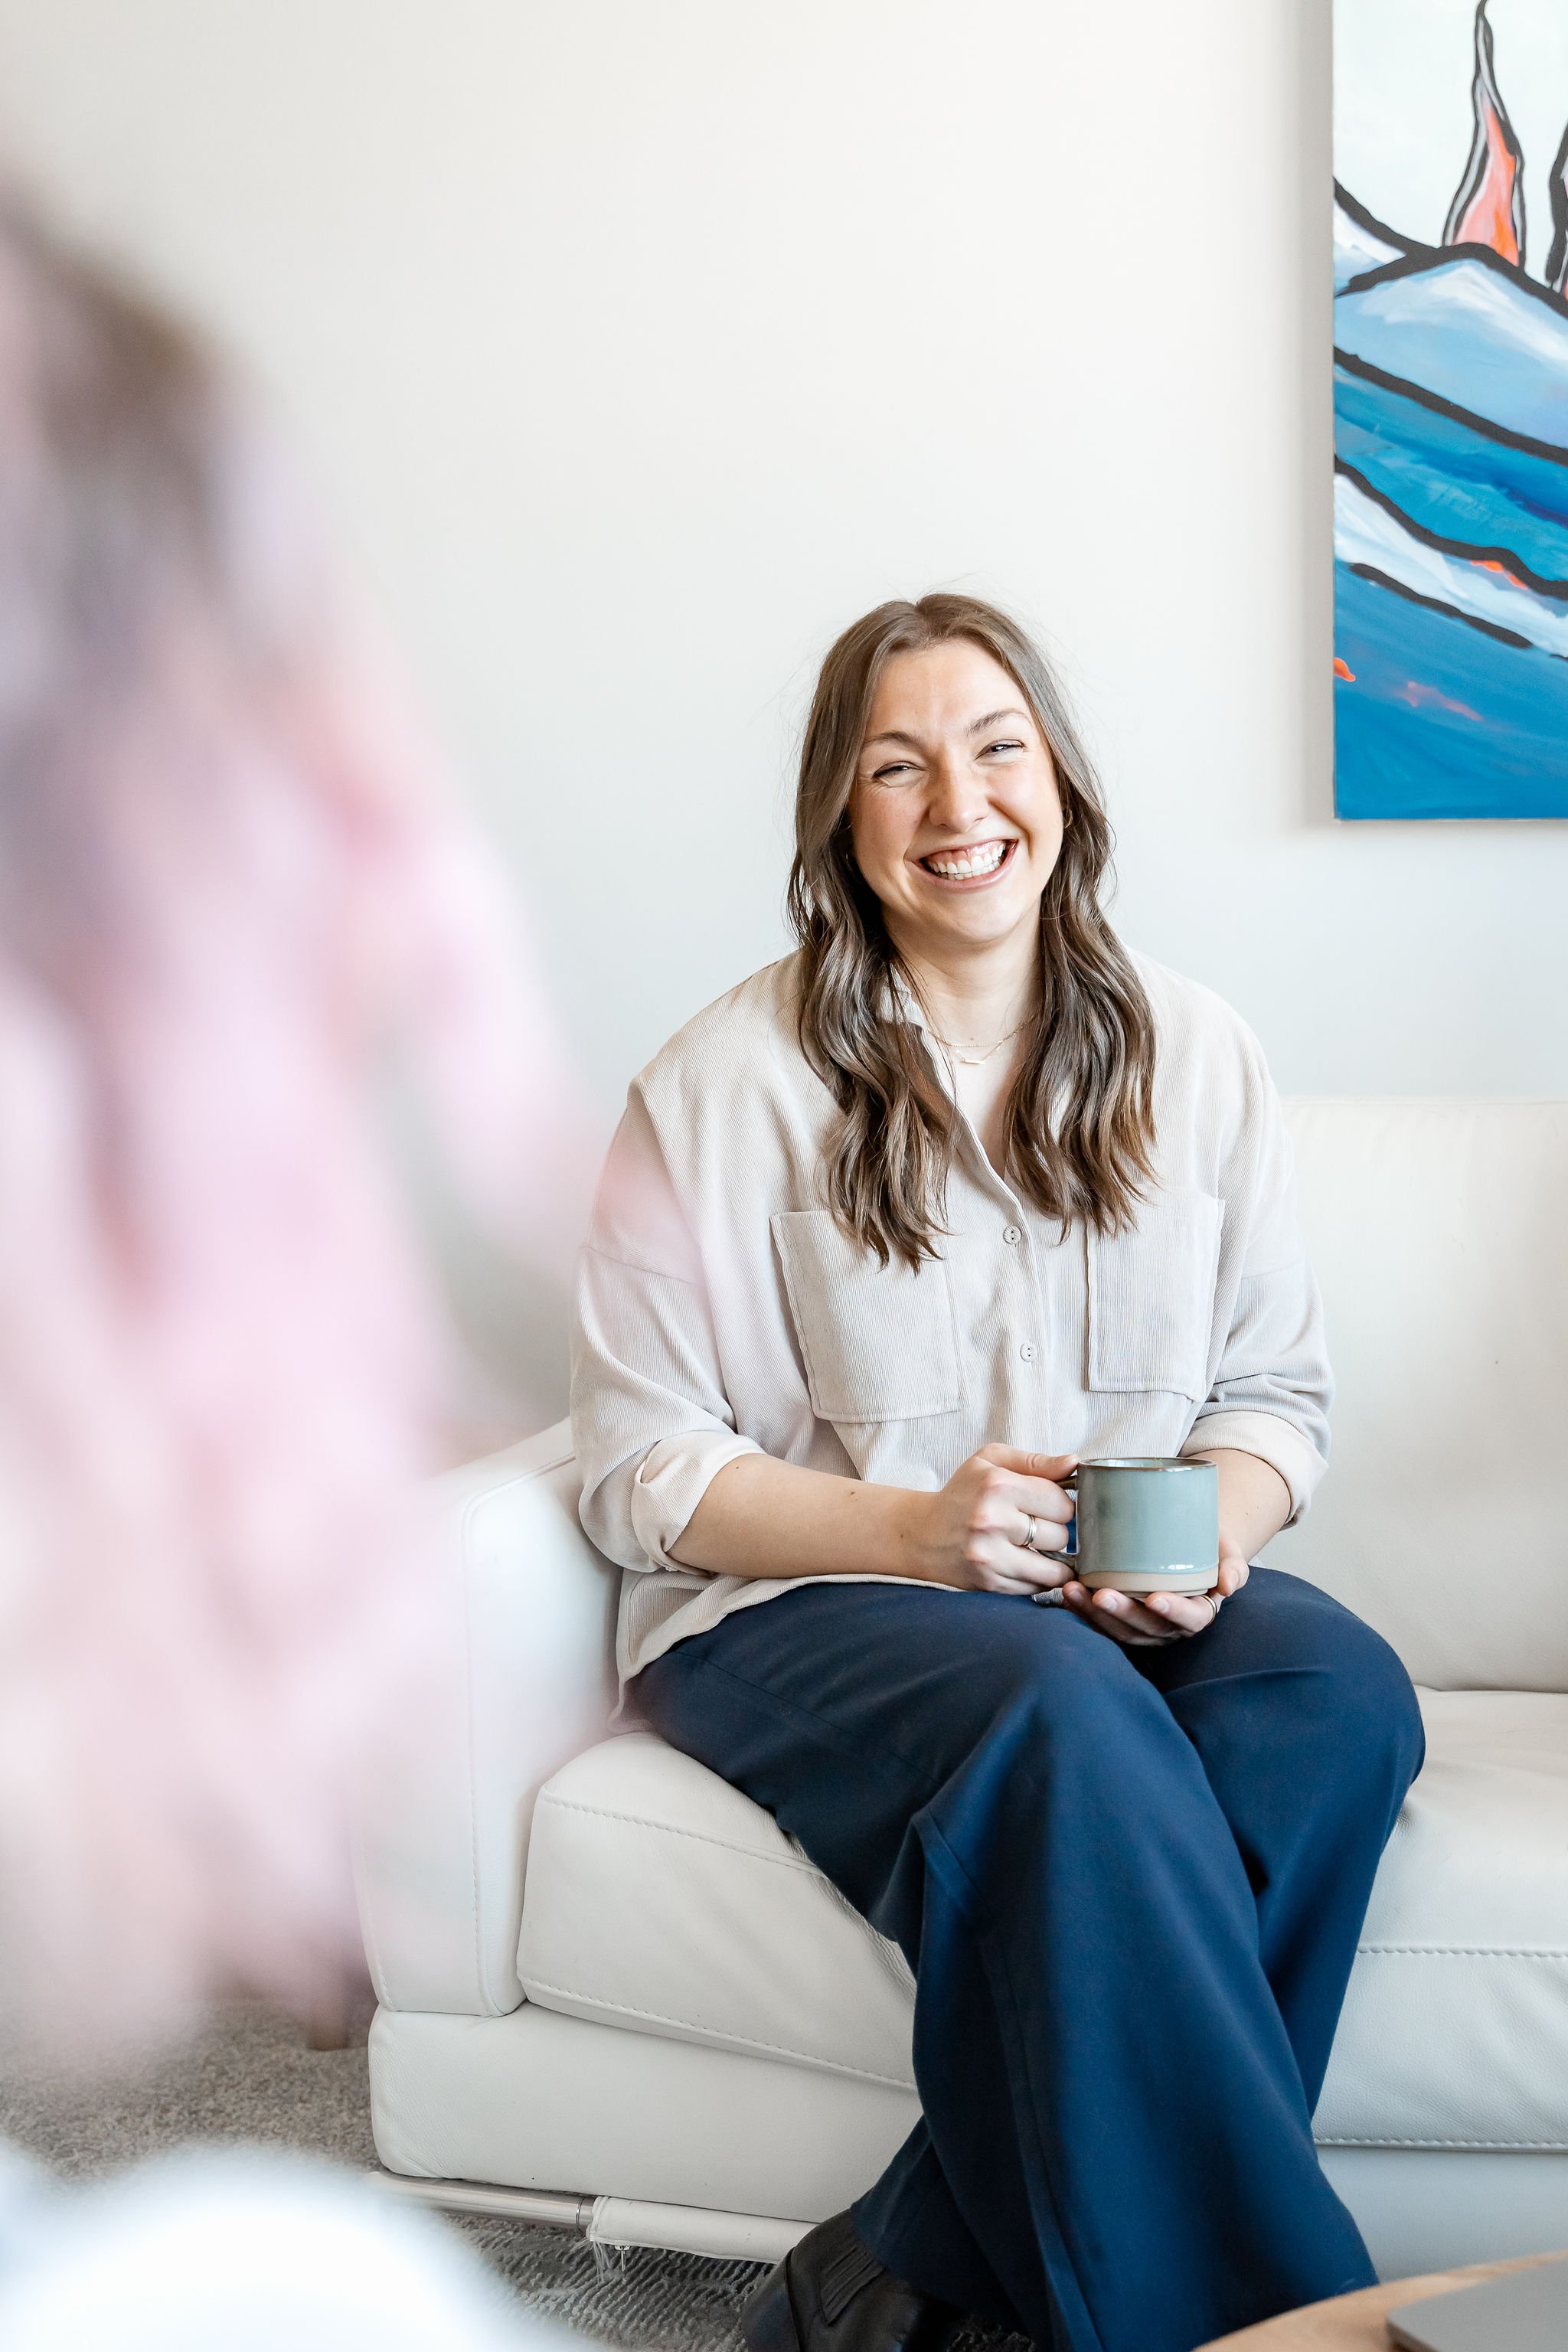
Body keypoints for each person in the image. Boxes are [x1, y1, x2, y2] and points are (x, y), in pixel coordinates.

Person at [570, 593, 1425, 2352]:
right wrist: (914, 1529)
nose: (957, 803)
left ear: (1059, 783)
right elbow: (638, 1468)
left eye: (994, 748)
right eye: (896, 766)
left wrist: (1209, 1546)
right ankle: (1289, 2334)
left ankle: (910, 2263)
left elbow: (1272, 1398)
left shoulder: (1196, 1056)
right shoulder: (719, 1083)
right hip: (792, 1606)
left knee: (1332, 1688)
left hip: (1076, 1618)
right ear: (838, 817)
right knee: (1057, 1704)